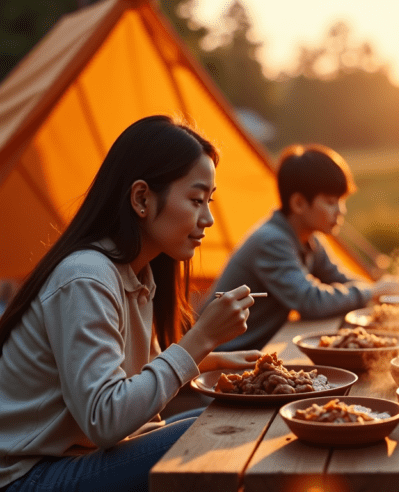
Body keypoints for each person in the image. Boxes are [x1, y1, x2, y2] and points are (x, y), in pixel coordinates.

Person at [0, 115, 262, 492]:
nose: (208, 219)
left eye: (209, 201)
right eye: (195, 199)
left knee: (233, 414)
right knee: (225, 428)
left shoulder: (138, 276)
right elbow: (104, 418)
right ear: (141, 198)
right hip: (29, 476)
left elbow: (132, 387)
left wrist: (209, 361)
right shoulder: (87, 277)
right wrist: (200, 339)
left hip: (80, 459)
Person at [205, 144, 399, 351]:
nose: (340, 211)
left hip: (256, 348)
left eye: (341, 201)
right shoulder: (271, 241)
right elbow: (311, 301)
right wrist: (370, 292)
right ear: (299, 203)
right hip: (221, 356)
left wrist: (383, 294)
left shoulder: (309, 239)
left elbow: (338, 277)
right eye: (330, 202)